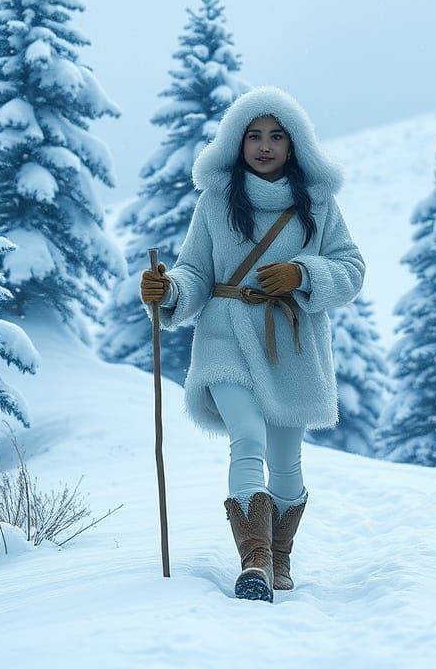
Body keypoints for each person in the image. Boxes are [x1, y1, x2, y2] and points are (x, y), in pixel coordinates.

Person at [140, 86, 365, 602]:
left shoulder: (318, 204)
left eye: (277, 136)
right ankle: (255, 562)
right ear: (235, 143)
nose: (264, 146)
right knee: (248, 437)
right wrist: (168, 289)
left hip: (291, 345)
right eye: (254, 136)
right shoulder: (215, 202)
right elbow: (196, 271)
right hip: (225, 339)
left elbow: (352, 270)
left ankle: (280, 556)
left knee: (287, 461)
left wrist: (302, 274)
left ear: (295, 145)